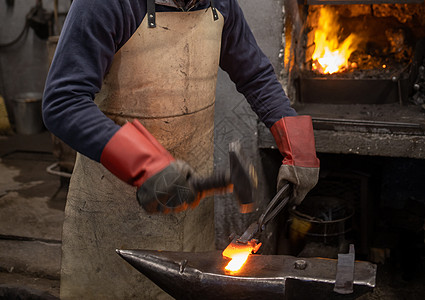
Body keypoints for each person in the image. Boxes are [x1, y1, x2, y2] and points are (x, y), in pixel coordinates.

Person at [42, 0, 320, 298]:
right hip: (115, 208)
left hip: (192, 209)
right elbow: (63, 102)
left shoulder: (219, 4)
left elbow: (255, 75)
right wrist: (144, 164)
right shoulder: (106, 4)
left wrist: (297, 145)